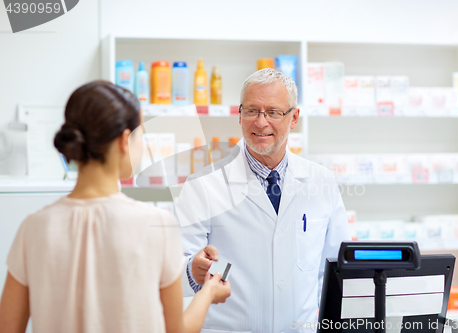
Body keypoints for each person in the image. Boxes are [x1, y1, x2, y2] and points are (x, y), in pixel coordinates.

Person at [0, 81, 230, 333]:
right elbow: (177, 330)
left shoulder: (34, 227)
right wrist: (207, 293)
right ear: (124, 140)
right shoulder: (156, 224)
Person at [175, 69, 351, 333]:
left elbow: (337, 271)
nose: (260, 122)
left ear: (294, 118)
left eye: (273, 112)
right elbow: (174, 274)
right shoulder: (203, 185)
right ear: (239, 115)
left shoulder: (321, 182)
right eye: (251, 111)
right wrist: (192, 269)